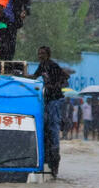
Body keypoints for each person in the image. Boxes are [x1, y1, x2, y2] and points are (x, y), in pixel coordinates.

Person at [24, 46, 68, 177]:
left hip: (55, 99)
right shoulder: (42, 65)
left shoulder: (53, 65)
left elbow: (65, 78)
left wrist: (54, 86)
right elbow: (35, 76)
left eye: (42, 53)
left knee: (53, 125)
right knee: (45, 123)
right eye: (38, 53)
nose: (40, 55)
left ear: (48, 54)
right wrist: (23, 76)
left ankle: (54, 153)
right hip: (47, 99)